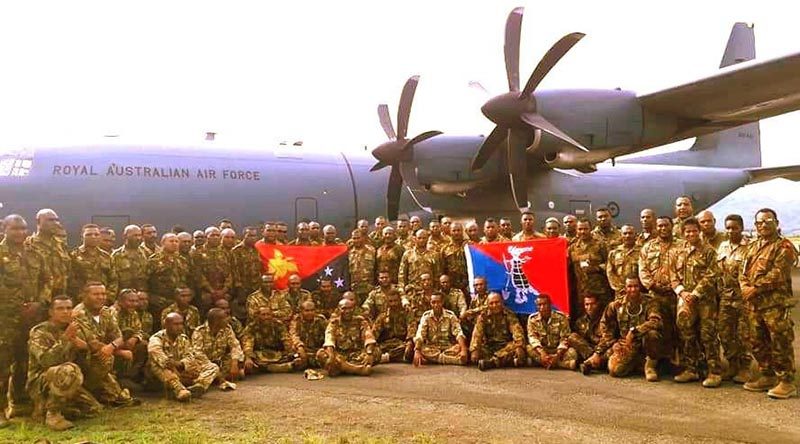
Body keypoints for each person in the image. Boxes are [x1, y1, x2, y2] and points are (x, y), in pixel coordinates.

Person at [739, 208, 798, 399]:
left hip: (775, 305)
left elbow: (778, 274)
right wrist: (744, 285)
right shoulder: (753, 246)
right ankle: (767, 375)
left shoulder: (784, 247)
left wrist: (753, 288)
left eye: (767, 221)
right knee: (756, 340)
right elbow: (743, 270)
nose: (762, 225)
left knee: (779, 341)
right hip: (754, 305)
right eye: (759, 222)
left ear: (776, 223)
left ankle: (787, 381)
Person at [27, 295, 102, 431]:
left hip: (69, 380)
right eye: (60, 308)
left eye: (68, 308)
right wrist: (65, 338)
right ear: (51, 312)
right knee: (69, 369)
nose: (65, 312)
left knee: (93, 409)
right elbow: (46, 361)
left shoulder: (76, 327)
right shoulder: (40, 332)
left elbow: (95, 349)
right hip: (42, 381)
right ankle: (53, 414)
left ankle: (43, 410)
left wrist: (85, 347)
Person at [0, 215, 47, 426]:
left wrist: (39, 302)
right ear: (4, 229)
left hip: (32, 317)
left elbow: (48, 279)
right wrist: (16, 304)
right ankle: (1, 409)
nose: (20, 233)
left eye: (23, 228)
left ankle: (20, 403)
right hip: (6, 318)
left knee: (25, 361)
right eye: (15, 229)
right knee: (3, 362)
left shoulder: (35, 253)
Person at [670, 217, 722, 387]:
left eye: (694, 231)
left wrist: (696, 293)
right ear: (683, 233)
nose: (691, 234)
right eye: (687, 231)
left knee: (708, 335)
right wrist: (682, 292)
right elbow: (672, 275)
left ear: (699, 232)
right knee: (687, 334)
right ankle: (691, 369)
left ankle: (714, 372)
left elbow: (712, 274)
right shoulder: (678, 252)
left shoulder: (709, 251)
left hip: (705, 301)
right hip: (685, 300)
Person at [71, 282, 138, 406]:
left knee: (117, 398)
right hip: (82, 359)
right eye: (96, 294)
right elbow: (90, 344)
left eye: (103, 294)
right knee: (106, 357)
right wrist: (117, 349)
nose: (101, 297)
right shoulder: (79, 314)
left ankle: (105, 387)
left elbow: (119, 337)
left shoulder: (105, 312)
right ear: (85, 296)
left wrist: (112, 346)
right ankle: (87, 388)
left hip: (101, 356)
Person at [589, 276, 664, 381]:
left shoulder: (650, 302)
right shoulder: (616, 305)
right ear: (625, 288)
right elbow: (605, 325)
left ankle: (650, 367)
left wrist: (635, 331)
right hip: (626, 345)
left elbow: (656, 321)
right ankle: (637, 364)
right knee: (615, 370)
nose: (633, 289)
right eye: (629, 286)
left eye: (636, 286)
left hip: (644, 344)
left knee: (652, 334)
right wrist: (612, 342)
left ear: (640, 287)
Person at [638, 216, 684, 359]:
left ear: (672, 226)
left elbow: (687, 268)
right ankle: (656, 361)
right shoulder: (648, 247)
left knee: (680, 328)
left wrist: (676, 286)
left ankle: (682, 361)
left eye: (666, 225)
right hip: (655, 296)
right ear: (656, 227)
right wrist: (652, 285)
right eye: (660, 226)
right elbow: (642, 269)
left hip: (677, 295)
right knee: (657, 327)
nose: (663, 228)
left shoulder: (682, 245)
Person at [147, 312, 219, 401]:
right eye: (176, 324)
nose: (179, 327)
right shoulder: (157, 339)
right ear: (166, 325)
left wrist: (180, 364)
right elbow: (160, 358)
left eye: (181, 324)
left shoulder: (183, 338)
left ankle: (198, 386)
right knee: (160, 366)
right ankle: (179, 390)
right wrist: (174, 367)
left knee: (212, 366)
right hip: (161, 373)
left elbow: (190, 356)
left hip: (179, 368)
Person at [716, 214, 752, 383]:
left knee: (744, 334)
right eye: (728, 228)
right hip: (726, 297)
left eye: (734, 228)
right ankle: (732, 364)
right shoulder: (723, 246)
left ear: (741, 228)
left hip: (743, 298)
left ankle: (745, 368)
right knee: (724, 332)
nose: (730, 231)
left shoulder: (750, 248)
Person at [316, 298, 379, 376]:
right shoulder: (334, 323)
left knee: (376, 351)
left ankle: (342, 368)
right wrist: (332, 356)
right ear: (339, 310)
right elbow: (329, 340)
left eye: (350, 308)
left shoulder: (360, 321)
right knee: (321, 354)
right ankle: (357, 370)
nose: (347, 311)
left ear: (354, 309)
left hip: (357, 354)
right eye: (344, 308)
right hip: (339, 355)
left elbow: (368, 336)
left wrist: (369, 353)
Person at [470, 293, 526, 371]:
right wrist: (474, 350)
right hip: (489, 346)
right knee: (470, 351)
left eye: (497, 302)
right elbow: (477, 333)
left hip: (505, 346)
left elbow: (517, 332)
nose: (494, 305)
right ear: (488, 304)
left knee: (517, 347)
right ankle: (507, 362)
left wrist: (519, 346)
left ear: (502, 302)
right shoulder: (483, 315)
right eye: (491, 303)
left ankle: (492, 362)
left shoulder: (509, 314)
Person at [146, 233, 191, 328]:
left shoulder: (182, 260)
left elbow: (187, 280)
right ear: (163, 243)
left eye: (176, 241)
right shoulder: (154, 260)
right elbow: (145, 280)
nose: (174, 243)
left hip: (178, 302)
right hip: (161, 302)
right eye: (171, 241)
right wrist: (151, 297)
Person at [192, 308, 243, 388]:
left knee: (240, 366)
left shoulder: (227, 329)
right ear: (216, 321)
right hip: (204, 363)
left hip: (220, 361)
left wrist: (234, 363)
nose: (227, 320)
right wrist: (212, 367)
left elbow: (235, 345)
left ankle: (215, 378)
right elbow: (198, 353)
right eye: (224, 318)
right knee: (199, 368)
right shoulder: (199, 332)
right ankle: (200, 385)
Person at [27, 209, 70, 303]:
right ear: (38, 222)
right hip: (39, 300)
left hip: (60, 299)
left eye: (57, 220)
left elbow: (67, 271)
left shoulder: (60, 244)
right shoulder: (29, 245)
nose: (55, 223)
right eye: (50, 220)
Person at [413, 293, 468, 366]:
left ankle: (434, 360)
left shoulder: (450, 315)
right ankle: (450, 360)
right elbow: (420, 334)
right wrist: (417, 351)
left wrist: (463, 350)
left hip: (448, 347)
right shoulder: (426, 316)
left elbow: (458, 333)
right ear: (430, 303)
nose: (436, 305)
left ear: (442, 302)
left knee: (458, 348)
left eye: (438, 302)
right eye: (433, 302)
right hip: (431, 348)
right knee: (420, 348)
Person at [241, 306, 300, 374]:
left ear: (272, 315)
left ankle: (267, 368)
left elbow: (286, 340)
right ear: (258, 316)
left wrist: (292, 354)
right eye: (263, 315)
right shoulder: (252, 327)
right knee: (250, 362)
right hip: (259, 354)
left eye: (268, 314)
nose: (266, 317)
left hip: (277, 353)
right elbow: (248, 343)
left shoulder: (278, 324)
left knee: (296, 359)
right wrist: (249, 357)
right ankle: (281, 368)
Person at [526, 294, 577, 370]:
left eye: (545, 304)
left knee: (572, 353)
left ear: (550, 304)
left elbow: (565, 337)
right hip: (542, 349)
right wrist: (542, 353)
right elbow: (532, 337)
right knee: (529, 348)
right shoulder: (532, 319)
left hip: (557, 349)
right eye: (539, 305)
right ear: (536, 306)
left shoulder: (561, 317)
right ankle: (561, 364)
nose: (542, 307)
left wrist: (557, 355)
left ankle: (542, 362)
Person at [68, 224, 117, 302]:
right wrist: (83, 298)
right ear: (82, 237)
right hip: (81, 301)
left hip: (104, 300)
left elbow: (113, 280)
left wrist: (108, 297)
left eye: (96, 234)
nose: (93, 237)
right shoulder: (73, 256)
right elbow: (71, 281)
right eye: (89, 234)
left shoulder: (107, 256)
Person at [569, 218, 610, 304]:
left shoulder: (600, 244)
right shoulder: (572, 247)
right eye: (580, 229)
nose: (583, 232)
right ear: (576, 230)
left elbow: (609, 264)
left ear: (591, 229)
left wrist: (597, 268)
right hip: (581, 291)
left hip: (599, 291)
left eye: (585, 229)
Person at [114, 289, 149, 386]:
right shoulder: (112, 313)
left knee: (144, 345)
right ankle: (117, 378)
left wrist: (135, 338)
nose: (134, 304)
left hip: (127, 344)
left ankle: (130, 376)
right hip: (113, 346)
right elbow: (110, 335)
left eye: (136, 301)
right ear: (121, 301)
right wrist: (123, 344)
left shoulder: (133, 313)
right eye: (131, 301)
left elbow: (139, 330)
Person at [193, 226, 233, 314]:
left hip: (223, 292)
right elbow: (198, 275)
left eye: (217, 235)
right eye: (212, 235)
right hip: (206, 292)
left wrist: (224, 290)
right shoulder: (197, 253)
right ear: (206, 237)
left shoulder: (226, 252)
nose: (215, 237)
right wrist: (211, 291)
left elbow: (230, 273)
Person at [373, 290, 416, 363]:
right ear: (387, 302)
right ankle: (393, 357)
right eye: (391, 301)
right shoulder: (383, 315)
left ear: (400, 300)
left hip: (402, 343)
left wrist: (409, 342)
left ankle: (386, 357)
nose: (393, 303)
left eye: (395, 301)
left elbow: (412, 327)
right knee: (374, 351)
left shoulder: (407, 312)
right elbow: (374, 332)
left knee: (412, 350)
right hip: (387, 344)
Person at [230, 226, 262, 321]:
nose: (253, 238)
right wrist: (239, 287)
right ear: (244, 236)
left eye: (254, 236)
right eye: (250, 235)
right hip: (242, 288)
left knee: (255, 312)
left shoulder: (256, 250)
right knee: (242, 313)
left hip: (255, 286)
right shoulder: (236, 250)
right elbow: (234, 270)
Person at [567, 293, 604, 370]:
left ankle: (589, 363)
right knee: (572, 337)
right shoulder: (581, 321)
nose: (589, 307)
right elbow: (579, 341)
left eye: (592, 304)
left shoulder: (605, 320)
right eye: (587, 304)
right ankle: (591, 362)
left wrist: (598, 352)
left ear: (598, 304)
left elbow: (608, 340)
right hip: (587, 350)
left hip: (601, 350)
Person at [290, 300, 328, 369]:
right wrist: (300, 346)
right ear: (301, 311)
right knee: (295, 360)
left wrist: (324, 348)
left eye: (312, 310)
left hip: (318, 350)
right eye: (307, 311)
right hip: (303, 350)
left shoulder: (320, 319)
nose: (310, 313)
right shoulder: (297, 320)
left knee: (327, 359)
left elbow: (328, 335)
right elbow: (293, 334)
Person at [606, 225, 640, 300]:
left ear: (635, 235)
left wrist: (636, 287)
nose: (627, 236)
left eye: (630, 233)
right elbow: (610, 273)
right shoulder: (614, 253)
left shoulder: (642, 251)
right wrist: (620, 288)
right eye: (625, 233)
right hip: (620, 293)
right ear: (621, 235)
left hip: (638, 292)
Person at [112, 225, 149, 293]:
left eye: (139, 235)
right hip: (123, 295)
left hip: (143, 295)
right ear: (125, 236)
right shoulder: (116, 255)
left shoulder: (147, 253)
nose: (138, 238)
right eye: (135, 235)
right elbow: (113, 279)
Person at [348, 229, 376, 304]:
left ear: (363, 238)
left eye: (358, 238)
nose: (356, 240)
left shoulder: (372, 250)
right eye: (354, 238)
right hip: (354, 288)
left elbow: (377, 268)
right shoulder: (349, 252)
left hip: (369, 288)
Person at [441, 222, 470, 292]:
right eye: (454, 231)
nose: (456, 233)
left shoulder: (470, 246)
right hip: (452, 285)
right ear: (450, 232)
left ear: (462, 231)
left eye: (458, 230)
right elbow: (442, 269)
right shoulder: (445, 249)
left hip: (468, 283)